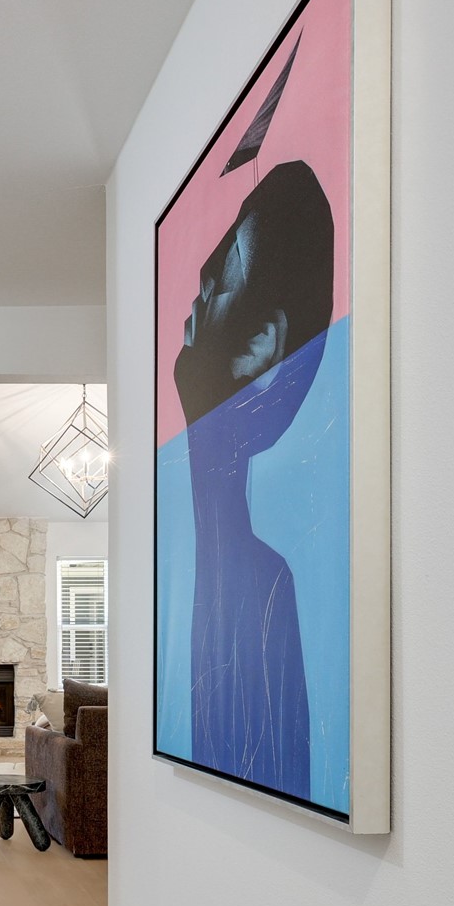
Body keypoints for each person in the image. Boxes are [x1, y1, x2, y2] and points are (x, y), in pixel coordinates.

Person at [172, 159, 335, 799]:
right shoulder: (205, 560)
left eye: (212, 289)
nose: (186, 320)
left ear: (263, 345)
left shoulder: (271, 585)